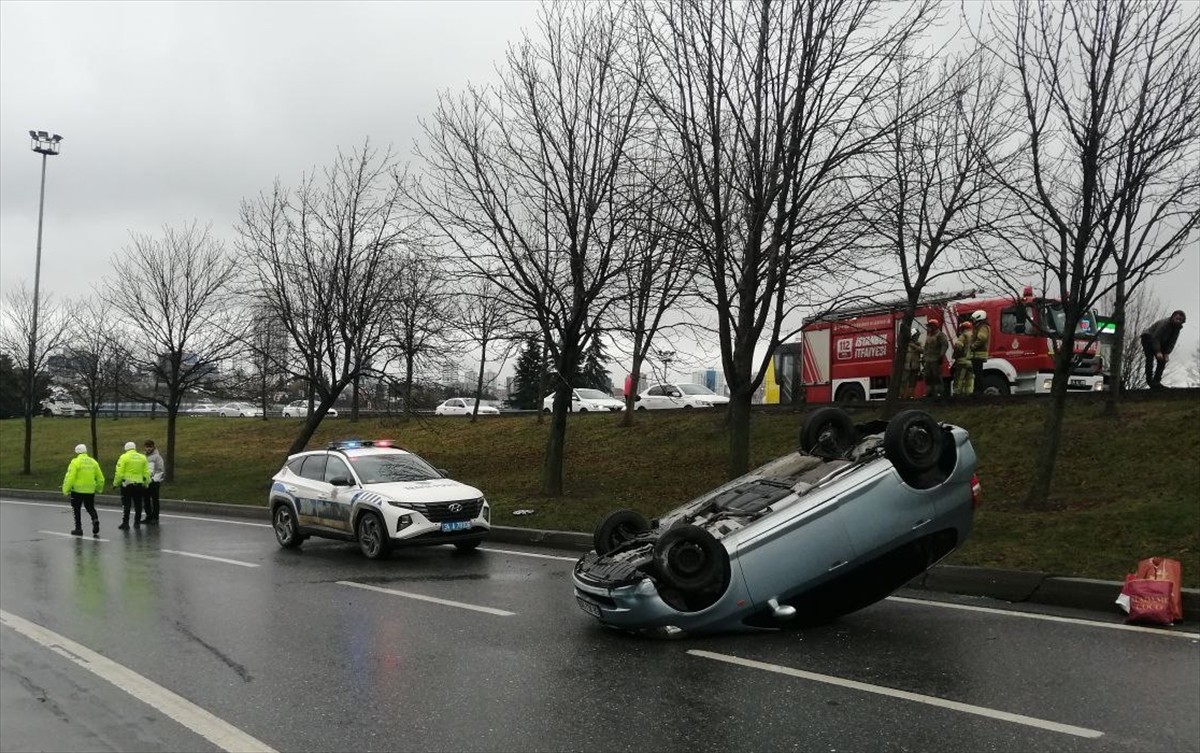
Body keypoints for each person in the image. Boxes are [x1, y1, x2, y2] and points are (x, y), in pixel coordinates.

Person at [62, 443, 104, 537]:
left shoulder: (75, 462)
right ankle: (95, 519)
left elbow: (70, 477)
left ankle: (78, 528)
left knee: (76, 509)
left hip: (77, 490)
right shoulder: (93, 462)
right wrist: (99, 488)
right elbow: (100, 478)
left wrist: (66, 489)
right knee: (90, 507)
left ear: (77, 452)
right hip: (90, 489)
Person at [1141, 310, 1187, 389]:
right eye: (1177, 318)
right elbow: (1156, 338)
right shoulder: (1164, 324)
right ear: (1173, 317)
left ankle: (1156, 381)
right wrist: (1158, 351)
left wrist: (1166, 353)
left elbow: (1172, 342)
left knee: (1162, 360)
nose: (1178, 320)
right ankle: (1149, 381)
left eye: (1180, 320)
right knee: (1149, 358)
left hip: (1161, 341)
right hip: (1148, 337)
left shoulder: (1177, 329)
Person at [113, 441, 150, 530]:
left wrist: (115, 483)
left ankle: (125, 523)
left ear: (126, 448)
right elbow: (146, 473)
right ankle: (137, 522)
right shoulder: (143, 457)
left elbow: (119, 473)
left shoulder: (124, 457)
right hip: (139, 484)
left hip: (127, 484)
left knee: (126, 504)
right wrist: (146, 483)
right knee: (138, 504)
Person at [921, 317, 949, 399]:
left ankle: (939, 393)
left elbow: (945, 345)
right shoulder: (929, 335)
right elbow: (926, 348)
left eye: (929, 326)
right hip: (928, 360)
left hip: (935, 360)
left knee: (936, 377)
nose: (928, 328)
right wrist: (924, 357)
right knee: (927, 377)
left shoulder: (940, 335)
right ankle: (929, 393)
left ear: (934, 326)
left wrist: (941, 356)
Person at [969, 309, 991, 395]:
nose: (973, 322)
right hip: (977, 355)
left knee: (978, 374)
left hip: (978, 355)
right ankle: (977, 391)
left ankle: (979, 392)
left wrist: (973, 346)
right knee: (977, 374)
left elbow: (981, 338)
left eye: (973, 320)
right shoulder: (980, 326)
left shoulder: (983, 327)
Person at [143, 439, 165, 524]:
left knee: (155, 500)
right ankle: (148, 516)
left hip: (154, 482)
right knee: (146, 500)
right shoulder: (143, 457)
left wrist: (154, 479)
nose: (148, 449)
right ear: (144, 447)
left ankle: (155, 517)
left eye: (150, 447)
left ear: (153, 447)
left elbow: (160, 470)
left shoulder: (157, 457)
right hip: (145, 482)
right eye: (147, 447)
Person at [952, 321, 975, 397]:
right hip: (971, 362)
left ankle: (957, 394)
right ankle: (969, 394)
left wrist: (955, 356)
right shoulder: (974, 336)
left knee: (959, 379)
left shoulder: (963, 336)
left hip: (962, 361)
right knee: (970, 379)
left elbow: (958, 347)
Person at [901, 325, 923, 399]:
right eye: (916, 336)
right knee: (904, 381)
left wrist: (914, 346)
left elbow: (922, 351)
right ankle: (902, 396)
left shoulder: (918, 344)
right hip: (906, 366)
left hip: (915, 366)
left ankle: (910, 396)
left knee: (912, 382)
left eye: (918, 336)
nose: (917, 337)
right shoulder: (905, 344)